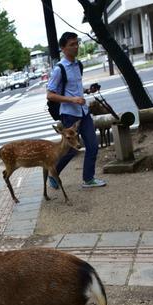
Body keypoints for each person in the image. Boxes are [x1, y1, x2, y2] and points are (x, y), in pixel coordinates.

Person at [46, 32, 107, 189]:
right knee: (71, 150)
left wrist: (87, 91)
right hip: (69, 114)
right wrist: (72, 100)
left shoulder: (78, 65)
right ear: (63, 48)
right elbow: (50, 94)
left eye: (76, 43)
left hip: (83, 112)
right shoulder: (59, 69)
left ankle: (88, 179)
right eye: (71, 44)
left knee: (92, 145)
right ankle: (53, 173)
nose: (76, 47)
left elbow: (74, 89)